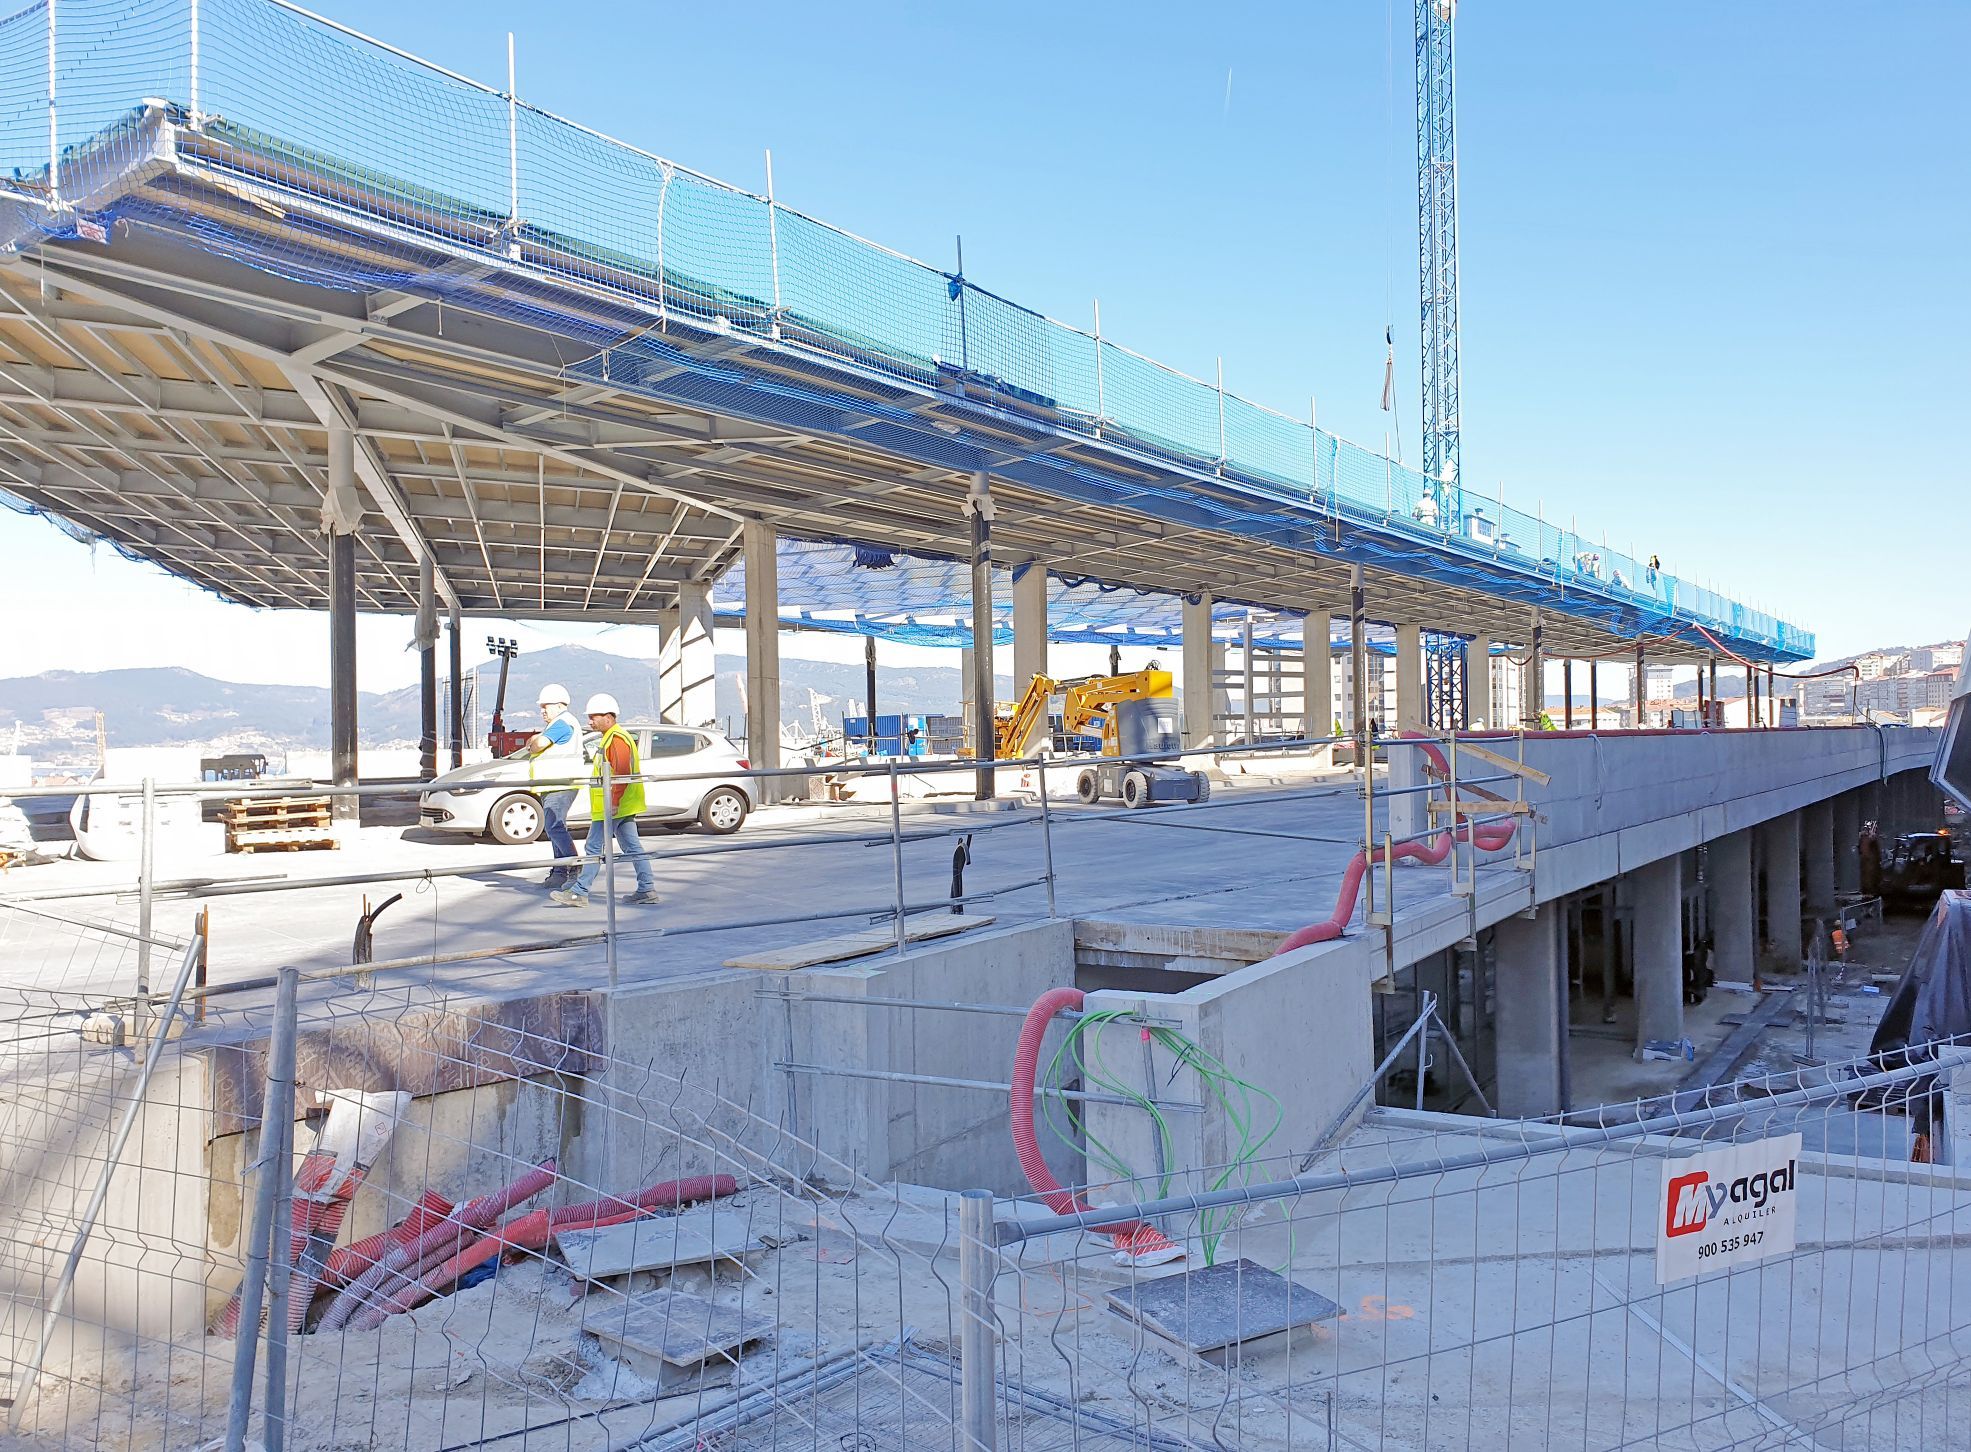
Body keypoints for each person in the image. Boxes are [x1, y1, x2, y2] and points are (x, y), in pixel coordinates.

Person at [551, 693, 660, 907]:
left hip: (613, 805)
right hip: (620, 804)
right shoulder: (614, 737)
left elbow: (619, 773)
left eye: (593, 717)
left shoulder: (616, 739)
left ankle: (579, 892)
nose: (590, 721)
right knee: (632, 847)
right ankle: (647, 889)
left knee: (593, 848)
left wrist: (615, 800)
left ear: (608, 717)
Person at [511, 683, 583, 890]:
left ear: (560, 705)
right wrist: (535, 740)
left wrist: (533, 741)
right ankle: (559, 871)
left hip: (560, 783)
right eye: (541, 706)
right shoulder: (560, 723)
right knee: (554, 828)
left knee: (554, 827)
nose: (542, 710)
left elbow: (537, 745)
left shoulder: (562, 723)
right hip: (554, 783)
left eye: (546, 706)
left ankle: (573, 865)